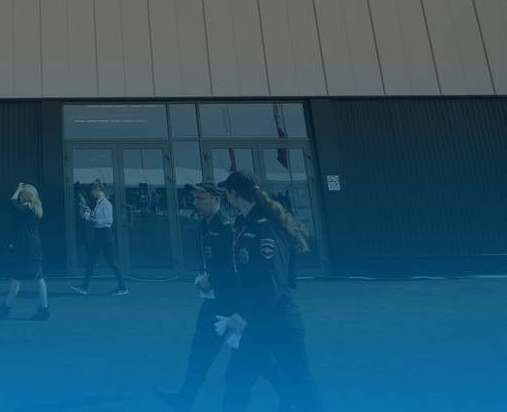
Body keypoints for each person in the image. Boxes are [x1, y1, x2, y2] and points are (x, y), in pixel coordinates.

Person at [154, 181, 286, 412]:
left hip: (235, 305)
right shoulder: (203, 227)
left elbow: (239, 269)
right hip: (213, 303)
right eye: (194, 199)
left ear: (217, 200)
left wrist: (213, 280)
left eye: (201, 199)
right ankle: (185, 398)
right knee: (200, 351)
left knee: (259, 357)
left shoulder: (229, 229)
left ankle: (289, 394)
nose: (196, 203)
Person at [220, 171, 324, 412]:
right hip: (254, 321)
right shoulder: (243, 224)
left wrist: (245, 312)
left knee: (300, 384)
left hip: (279, 321)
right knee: (237, 380)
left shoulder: (267, 228)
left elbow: (272, 282)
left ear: (232, 194)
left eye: (226, 192)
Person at [0, 183, 51, 320]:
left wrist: (18, 189)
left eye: (22, 195)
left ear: (27, 196)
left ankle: (6, 308)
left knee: (18, 277)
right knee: (37, 277)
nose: (19, 197)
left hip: (25, 250)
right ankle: (44, 308)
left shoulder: (27, 208)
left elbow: (12, 204)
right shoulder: (34, 208)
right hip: (33, 249)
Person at [70, 179, 128, 296]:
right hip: (100, 234)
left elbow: (109, 220)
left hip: (105, 234)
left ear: (97, 189)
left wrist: (95, 221)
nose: (91, 193)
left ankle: (122, 287)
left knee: (111, 261)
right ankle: (84, 286)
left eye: (92, 191)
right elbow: (100, 217)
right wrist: (90, 213)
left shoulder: (105, 203)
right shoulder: (99, 203)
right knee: (91, 259)